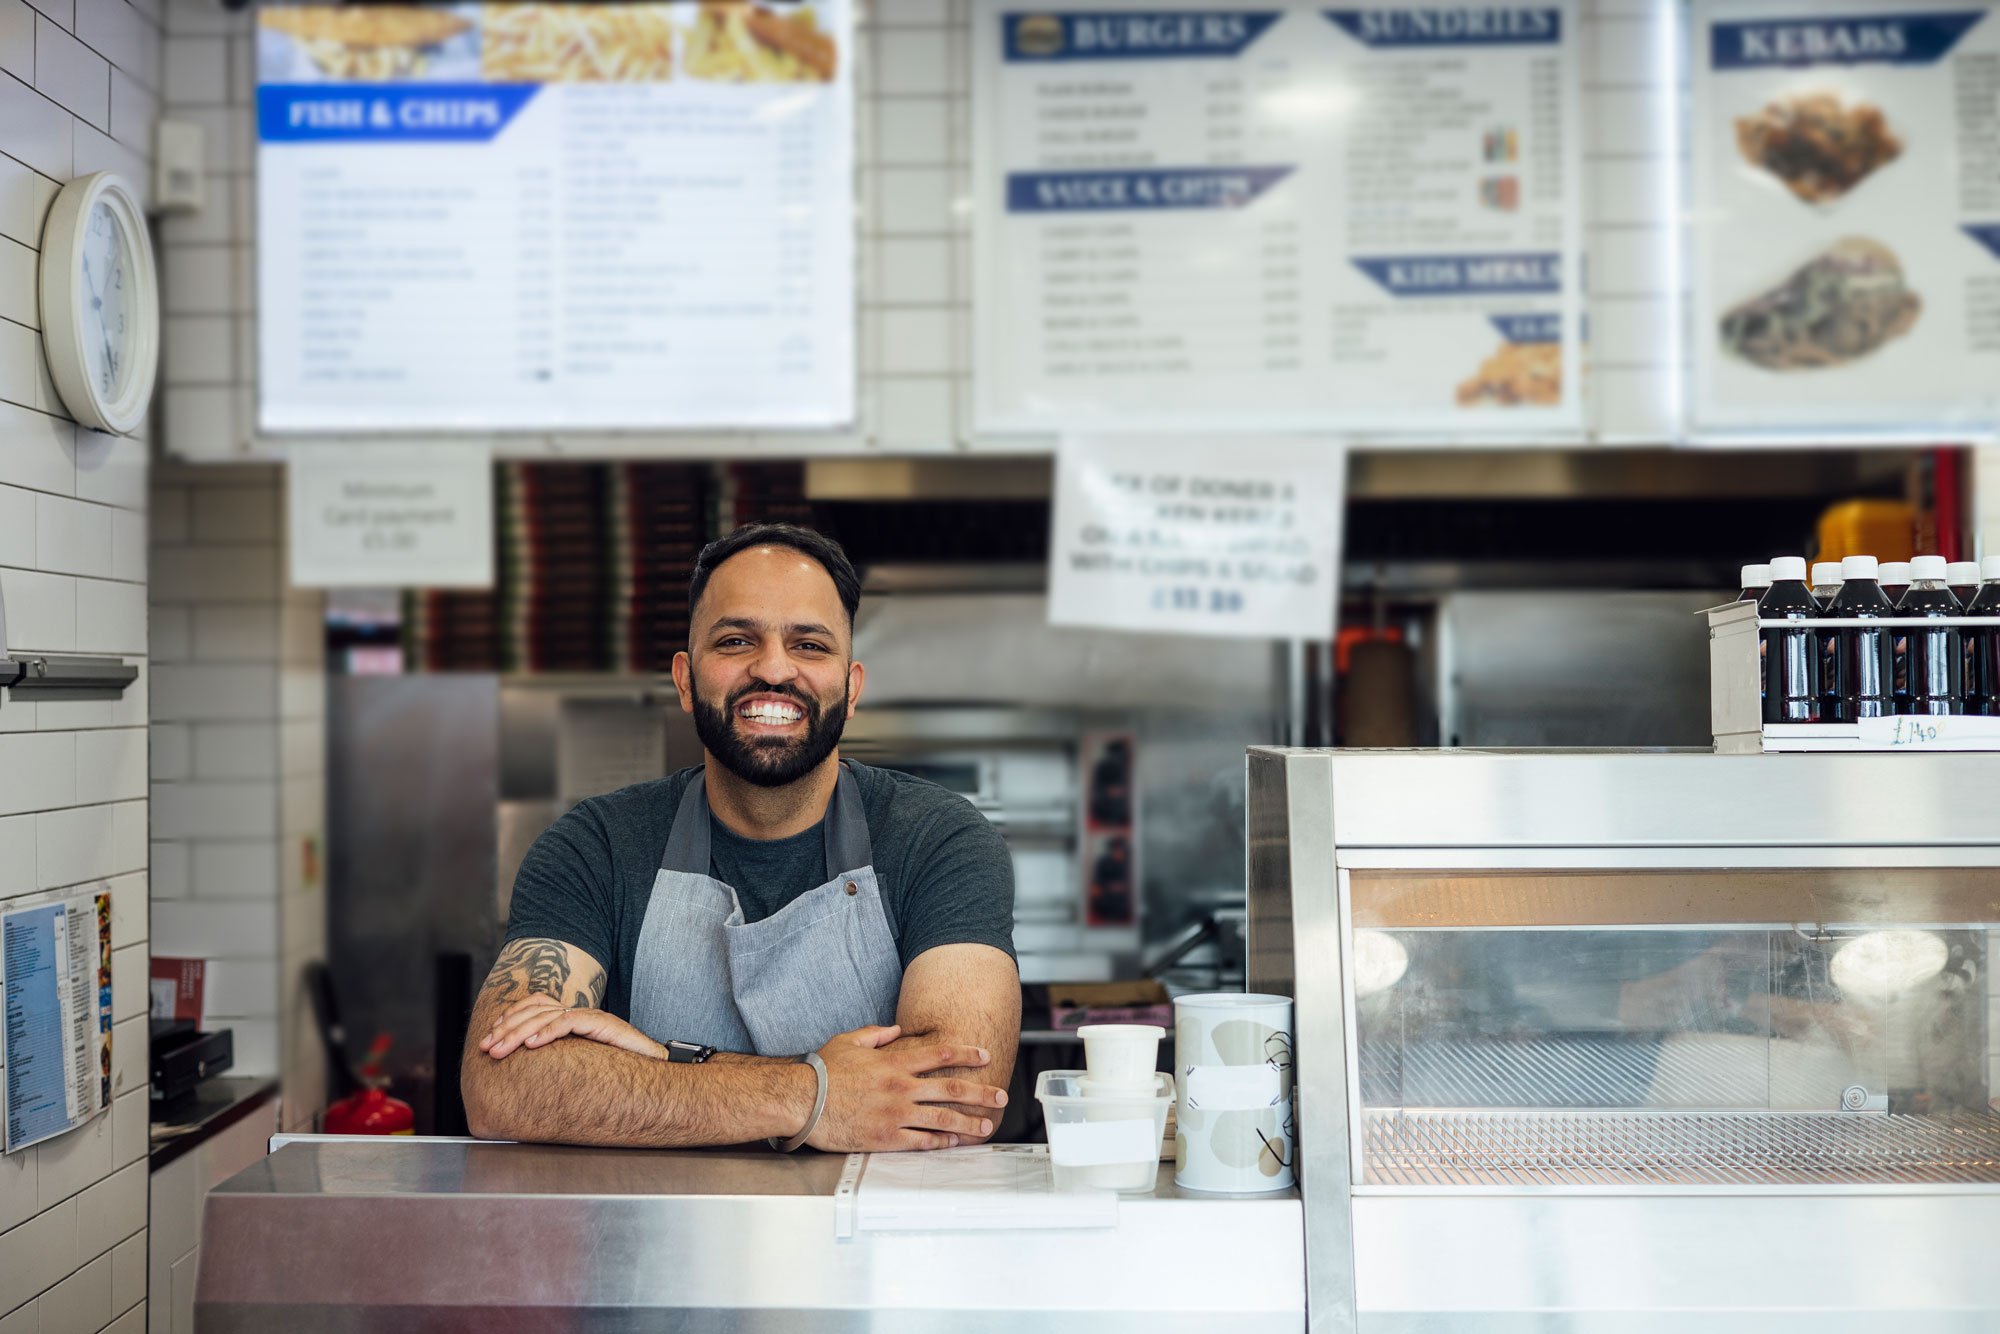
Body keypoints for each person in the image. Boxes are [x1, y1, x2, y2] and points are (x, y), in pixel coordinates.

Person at [462, 524, 1020, 1151]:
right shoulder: (596, 847)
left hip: (868, 1238)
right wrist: (814, 1095)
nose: (773, 669)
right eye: (736, 640)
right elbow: (501, 1084)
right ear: (684, 679)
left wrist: (661, 1061)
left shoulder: (937, 839)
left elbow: (955, 1092)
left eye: (809, 644)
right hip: (651, 1238)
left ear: (852, 687)